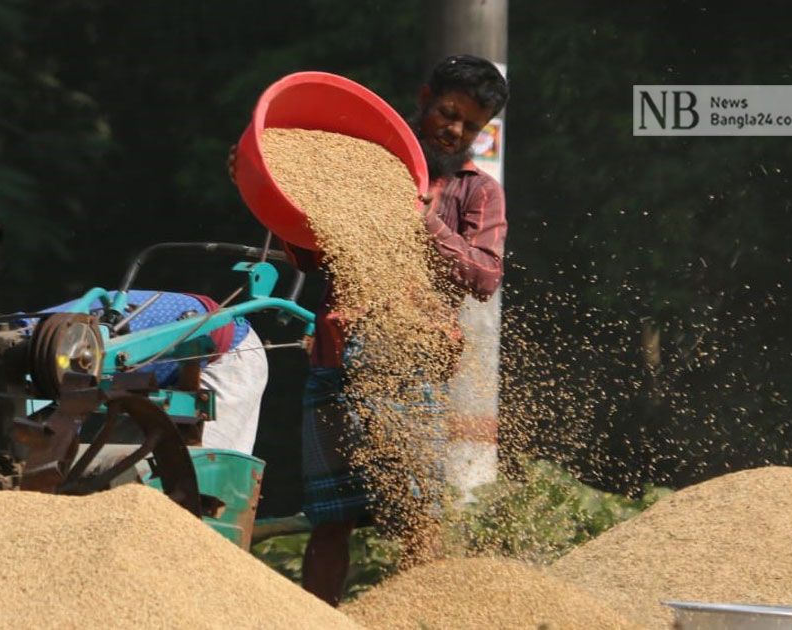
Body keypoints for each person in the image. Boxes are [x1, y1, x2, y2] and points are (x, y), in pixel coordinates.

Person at [261, 55, 508, 606]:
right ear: (424, 98)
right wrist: (255, 181)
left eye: (471, 125)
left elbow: (485, 276)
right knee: (331, 519)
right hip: (333, 363)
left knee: (415, 516)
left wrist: (424, 219)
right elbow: (307, 252)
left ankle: (419, 617)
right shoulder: (369, 166)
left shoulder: (476, 192)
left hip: (410, 367)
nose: (456, 130)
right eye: (448, 113)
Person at [45, 289, 268, 454]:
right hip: (146, 372)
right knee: (110, 469)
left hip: (226, 355)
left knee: (196, 472)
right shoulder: (33, 333)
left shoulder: (56, 346)